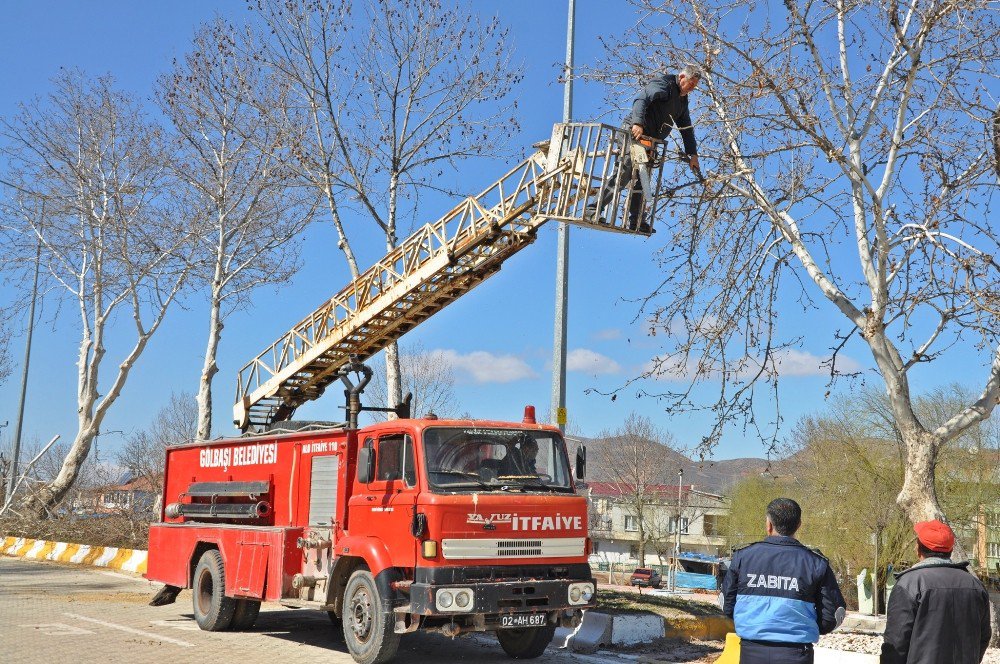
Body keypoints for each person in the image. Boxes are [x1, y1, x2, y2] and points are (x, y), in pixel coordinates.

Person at [722, 498, 846, 663]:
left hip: (751, 652)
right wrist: (807, 627)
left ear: (769, 525)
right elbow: (834, 613)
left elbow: (727, 604)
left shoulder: (742, 558)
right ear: (799, 525)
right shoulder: (816, 563)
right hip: (796, 654)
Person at [587, 64, 702, 232]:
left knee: (643, 180)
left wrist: (692, 154)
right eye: (691, 83)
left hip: (649, 142)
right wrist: (637, 123)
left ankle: (637, 221)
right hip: (634, 134)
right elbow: (642, 99)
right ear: (682, 77)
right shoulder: (665, 84)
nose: (692, 88)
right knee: (625, 172)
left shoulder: (682, 101)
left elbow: (686, 129)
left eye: (694, 86)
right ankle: (593, 210)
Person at [880, 520, 992, 663]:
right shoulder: (975, 584)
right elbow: (983, 637)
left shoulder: (910, 583)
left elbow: (896, 642)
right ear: (950, 551)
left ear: (918, 549)